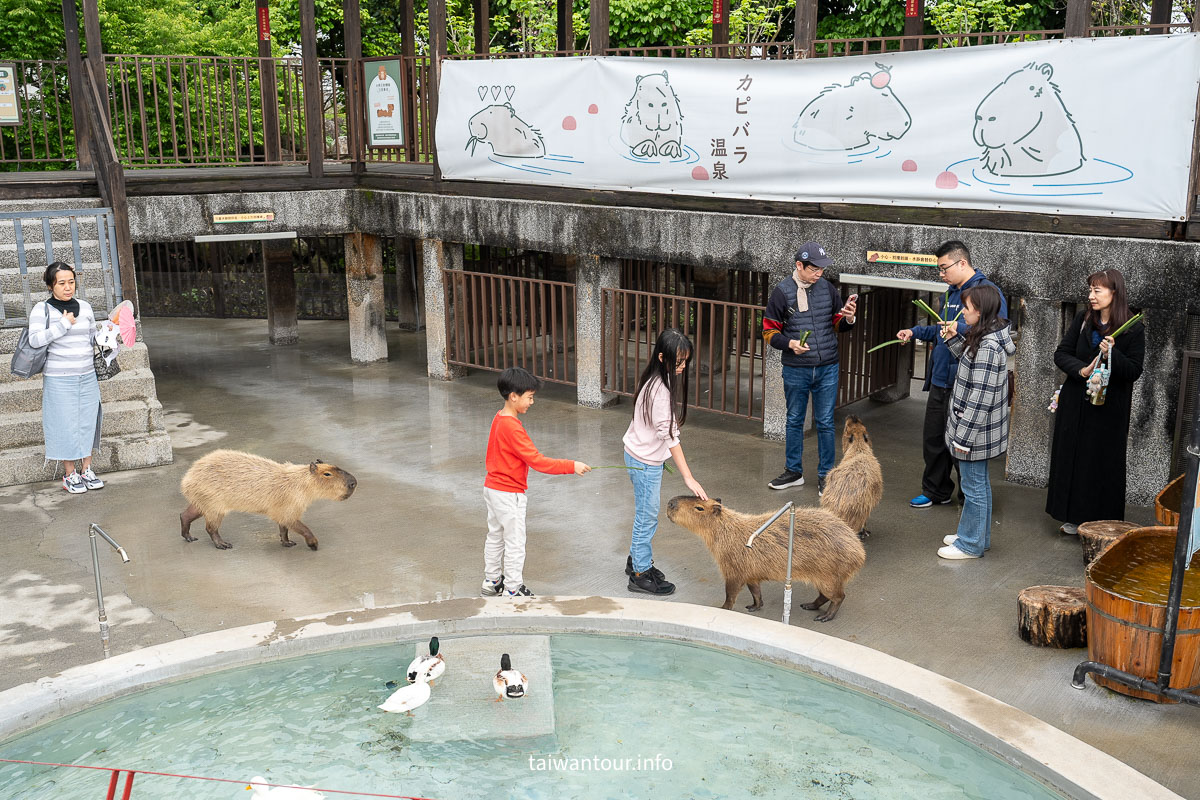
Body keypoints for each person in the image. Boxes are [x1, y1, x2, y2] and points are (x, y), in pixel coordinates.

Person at [896, 241, 1007, 509]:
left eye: (944, 268)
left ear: (962, 263)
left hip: (966, 382)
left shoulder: (987, 292)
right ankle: (936, 491)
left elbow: (995, 331)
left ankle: (969, 499)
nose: (941, 274)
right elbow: (940, 329)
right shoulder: (950, 292)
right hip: (940, 378)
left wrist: (958, 327)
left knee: (962, 446)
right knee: (934, 440)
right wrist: (914, 332)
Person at [1046, 269, 1145, 534]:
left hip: (1108, 408)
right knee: (1073, 456)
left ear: (1115, 293)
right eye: (1090, 290)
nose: (1091, 296)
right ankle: (1072, 516)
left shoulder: (1132, 328)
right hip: (1077, 400)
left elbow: (1134, 370)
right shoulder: (1083, 319)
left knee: (1100, 461)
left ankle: (1101, 520)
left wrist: (1113, 352)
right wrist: (1082, 371)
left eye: (1097, 291)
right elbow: (1061, 353)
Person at [481, 366, 590, 598]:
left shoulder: (499, 418)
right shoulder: (513, 428)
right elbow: (538, 461)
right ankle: (512, 588)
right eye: (529, 397)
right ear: (514, 396)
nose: (532, 402)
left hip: (492, 488)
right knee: (515, 542)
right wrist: (572, 466)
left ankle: (492, 581)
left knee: (495, 535)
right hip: (509, 494)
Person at [762, 241, 857, 494]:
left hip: (828, 366)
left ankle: (826, 475)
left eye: (822, 269)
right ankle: (794, 472)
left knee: (825, 422)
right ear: (799, 265)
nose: (819, 274)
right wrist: (790, 343)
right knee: (794, 420)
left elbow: (837, 324)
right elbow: (769, 332)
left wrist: (848, 317)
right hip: (796, 368)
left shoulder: (827, 288)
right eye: (814, 269)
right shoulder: (782, 292)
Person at [623, 328, 707, 596]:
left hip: (639, 456)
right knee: (647, 517)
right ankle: (639, 573)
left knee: (644, 514)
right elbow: (671, 437)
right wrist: (688, 478)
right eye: (678, 361)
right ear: (662, 357)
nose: (682, 366)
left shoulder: (655, 379)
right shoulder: (659, 391)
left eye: (685, 361)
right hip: (645, 463)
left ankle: (637, 559)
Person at [936, 285, 1014, 559]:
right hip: (980, 430)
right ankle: (976, 536)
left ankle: (970, 544)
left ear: (979, 312)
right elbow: (971, 365)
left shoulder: (989, 345)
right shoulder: (985, 336)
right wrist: (953, 338)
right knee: (977, 485)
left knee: (973, 487)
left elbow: (980, 397)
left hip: (975, 432)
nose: (962, 312)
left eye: (966, 308)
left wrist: (962, 439)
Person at [27, 262, 106, 494]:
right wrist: (62, 325)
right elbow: (34, 340)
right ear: (51, 285)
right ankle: (70, 474)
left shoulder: (86, 307)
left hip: (87, 375)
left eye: (71, 282)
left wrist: (108, 334)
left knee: (88, 422)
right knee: (65, 425)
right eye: (61, 283)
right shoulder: (42, 309)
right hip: (59, 378)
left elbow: (93, 338)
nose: (67, 287)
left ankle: (87, 470)